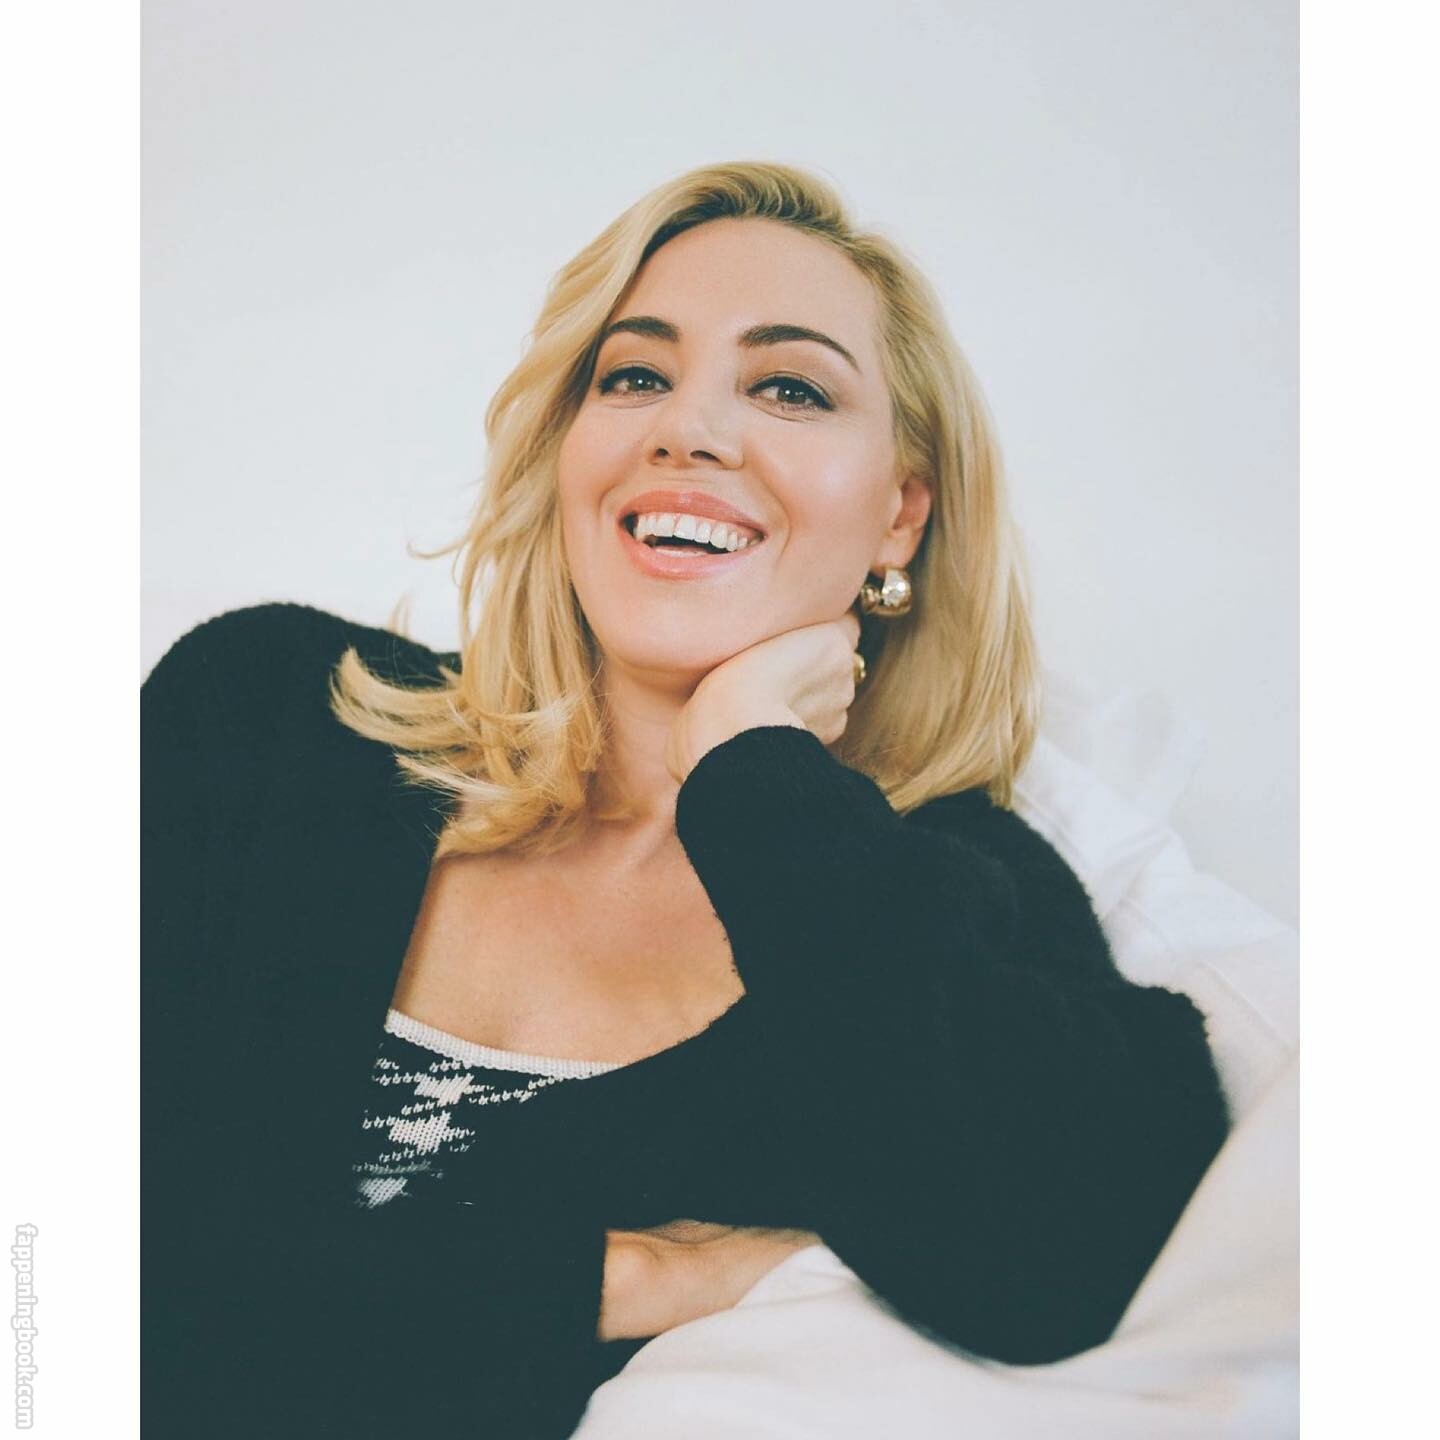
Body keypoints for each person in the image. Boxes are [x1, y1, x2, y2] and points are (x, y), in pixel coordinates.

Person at [141, 161, 1231, 1439]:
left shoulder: (941, 896)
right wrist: (630, 1278)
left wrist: (753, 764)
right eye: (634, 376)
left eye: (790, 388)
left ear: (900, 515)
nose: (689, 430)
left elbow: (1066, 1268)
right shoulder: (273, 717)